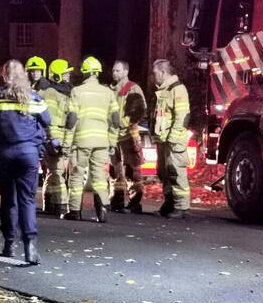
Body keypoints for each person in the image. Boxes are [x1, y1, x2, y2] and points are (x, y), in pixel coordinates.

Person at [0, 60, 52, 264]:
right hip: (28, 154)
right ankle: (30, 246)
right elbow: (47, 121)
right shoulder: (34, 98)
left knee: (8, 200)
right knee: (27, 200)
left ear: (4, 76)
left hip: (3, 154)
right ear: (24, 75)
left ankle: (8, 244)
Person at [65, 56, 119, 222]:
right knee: (99, 176)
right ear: (97, 73)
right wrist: (112, 142)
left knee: (77, 174)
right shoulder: (108, 93)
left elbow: (72, 121)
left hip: (82, 142)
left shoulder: (77, 92)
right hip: (101, 142)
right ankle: (102, 207)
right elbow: (115, 120)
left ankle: (75, 211)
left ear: (84, 73)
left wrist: (67, 144)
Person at [26, 56, 67, 215]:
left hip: (46, 135)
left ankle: (59, 204)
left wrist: (53, 137)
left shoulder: (47, 91)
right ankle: (49, 202)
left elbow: (51, 117)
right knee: (47, 170)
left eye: (37, 71)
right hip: (34, 136)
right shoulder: (31, 89)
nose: (34, 74)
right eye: (31, 71)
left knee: (55, 170)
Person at [151, 58, 191, 218]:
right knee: (164, 172)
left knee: (176, 172)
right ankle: (169, 203)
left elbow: (182, 115)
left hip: (173, 140)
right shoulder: (163, 90)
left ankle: (181, 207)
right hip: (164, 139)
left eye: (155, 73)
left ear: (163, 72)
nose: (154, 77)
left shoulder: (178, 89)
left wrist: (173, 138)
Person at [109, 61, 147, 213]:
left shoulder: (132, 88)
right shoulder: (111, 90)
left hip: (128, 135)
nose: (114, 73)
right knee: (115, 169)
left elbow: (140, 109)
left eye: (118, 71)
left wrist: (124, 123)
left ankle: (135, 201)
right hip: (114, 136)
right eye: (113, 70)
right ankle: (116, 200)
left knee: (133, 170)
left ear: (126, 71)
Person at [46, 59, 75, 214]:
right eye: (65, 73)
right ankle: (61, 204)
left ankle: (50, 202)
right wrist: (54, 139)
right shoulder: (51, 93)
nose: (68, 75)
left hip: (65, 136)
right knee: (57, 172)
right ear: (57, 76)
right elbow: (50, 118)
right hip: (56, 137)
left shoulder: (67, 92)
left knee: (56, 172)